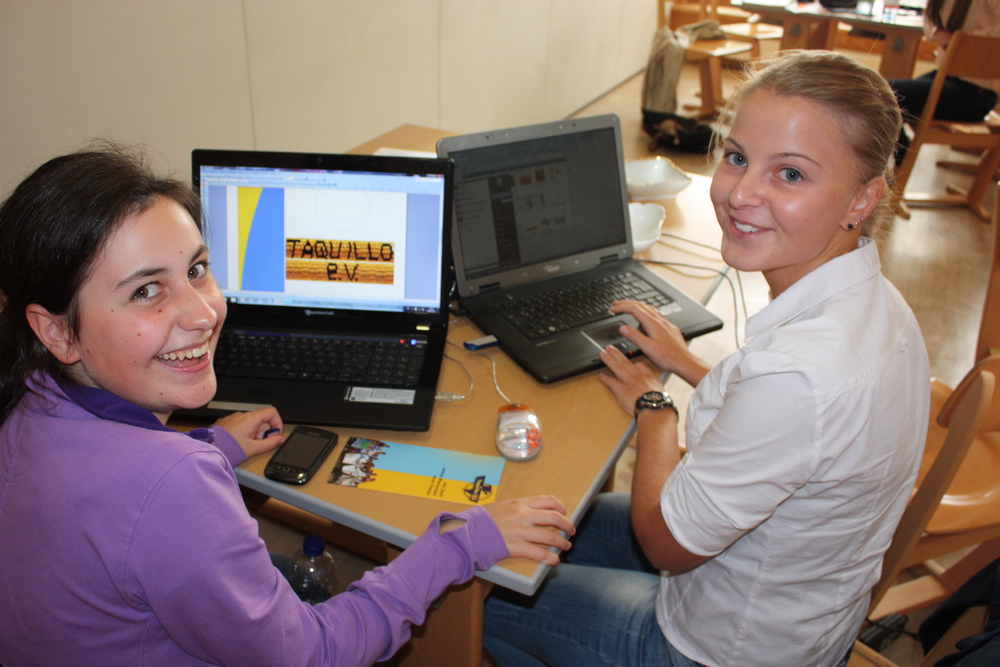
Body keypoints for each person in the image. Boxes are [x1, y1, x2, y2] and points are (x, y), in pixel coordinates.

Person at [0, 144, 576, 666]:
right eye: (146, 291)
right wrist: (460, 541)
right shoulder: (173, 485)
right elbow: (312, 656)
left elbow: (126, 509)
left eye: (197, 270)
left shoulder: (24, 409)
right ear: (57, 332)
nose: (204, 313)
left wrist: (215, 444)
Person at [483, 50, 931, 667]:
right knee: (547, 520)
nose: (741, 194)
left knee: (474, 590)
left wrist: (655, 409)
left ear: (862, 199)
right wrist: (688, 363)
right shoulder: (879, 305)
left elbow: (665, 543)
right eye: (738, 157)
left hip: (715, 647)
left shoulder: (800, 375)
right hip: (801, 609)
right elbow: (801, 427)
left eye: (790, 174)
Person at [888, 0, 1000, 164]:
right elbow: (929, 21)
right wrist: (938, 32)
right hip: (946, 77)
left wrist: (961, 39)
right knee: (883, 95)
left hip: (978, 94)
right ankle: (901, 157)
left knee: (887, 94)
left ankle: (901, 159)